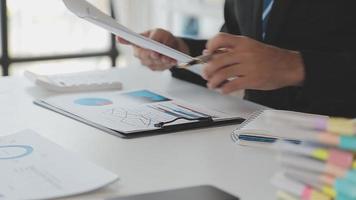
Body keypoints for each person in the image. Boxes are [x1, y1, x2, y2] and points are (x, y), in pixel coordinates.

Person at [117, 0, 356, 118]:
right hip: (258, 137)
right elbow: (236, 50)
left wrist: (296, 67)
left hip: (339, 149)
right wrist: (181, 51)